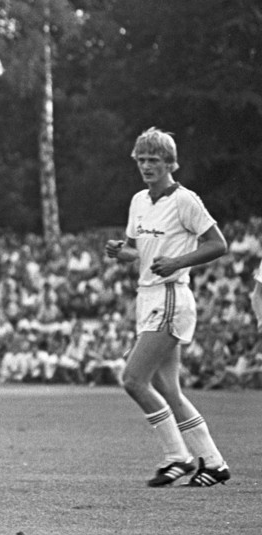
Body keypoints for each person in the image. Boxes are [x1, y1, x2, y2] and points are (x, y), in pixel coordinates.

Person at [105, 127, 231, 487]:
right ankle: (213, 463)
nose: (147, 166)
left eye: (154, 160)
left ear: (170, 163)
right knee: (168, 389)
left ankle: (179, 456)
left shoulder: (185, 200)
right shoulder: (139, 201)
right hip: (146, 297)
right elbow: (136, 251)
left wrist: (178, 262)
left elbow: (218, 244)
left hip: (171, 295)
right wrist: (120, 252)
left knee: (133, 380)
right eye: (141, 160)